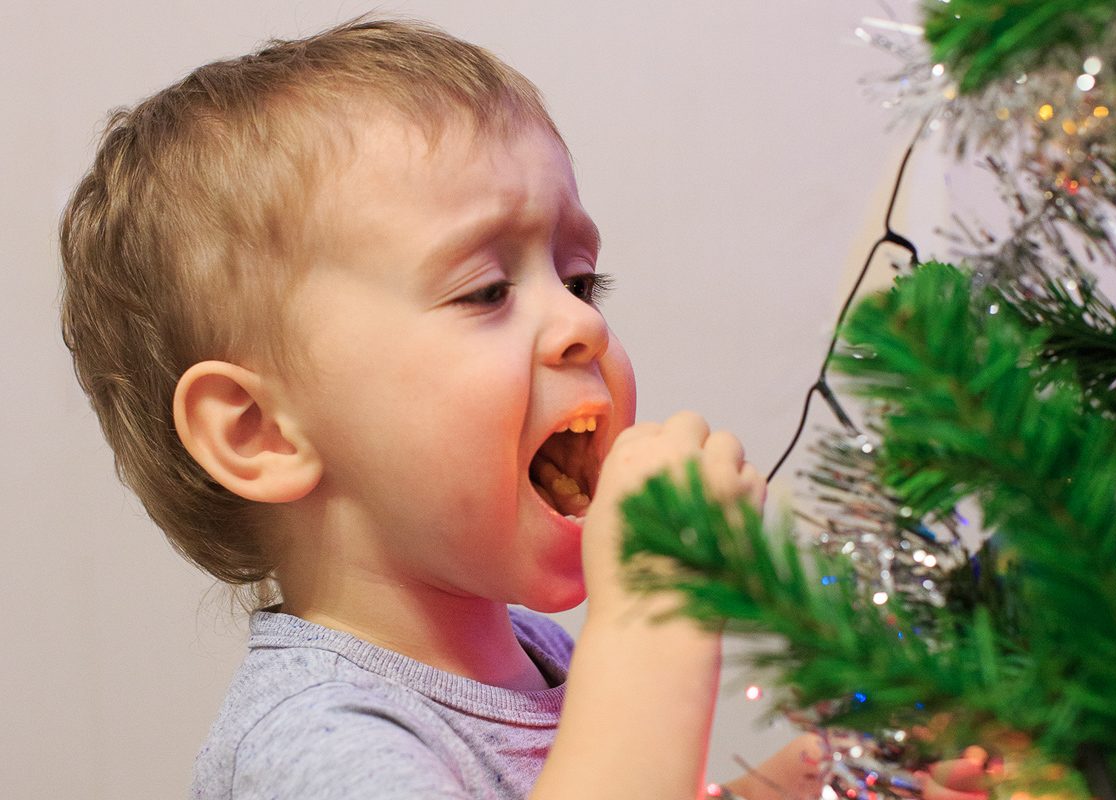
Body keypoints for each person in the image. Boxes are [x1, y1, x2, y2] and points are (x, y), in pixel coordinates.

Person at [59, 17, 977, 800]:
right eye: (487, 289)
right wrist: (655, 609)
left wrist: (793, 784)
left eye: (581, 278)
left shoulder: (536, 654)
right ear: (260, 433)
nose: (580, 322)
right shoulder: (310, 742)